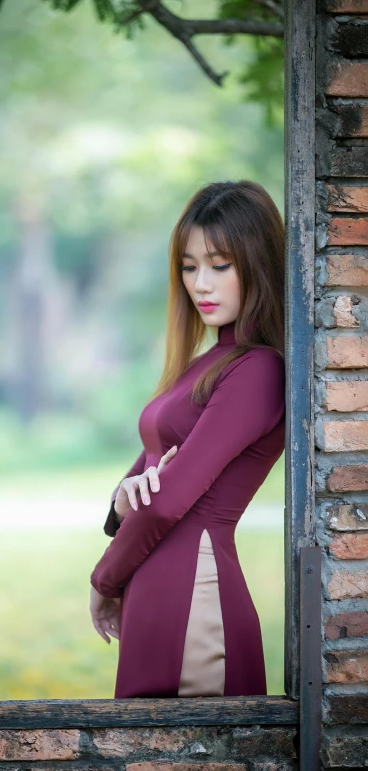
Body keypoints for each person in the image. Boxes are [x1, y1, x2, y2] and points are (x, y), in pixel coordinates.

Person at [89, 179, 286, 699]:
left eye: (220, 265)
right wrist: (118, 502)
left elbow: (167, 502)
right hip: (155, 589)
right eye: (189, 265)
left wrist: (105, 580)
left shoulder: (257, 370)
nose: (201, 283)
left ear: (258, 263)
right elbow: (149, 470)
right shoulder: (207, 363)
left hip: (195, 595)